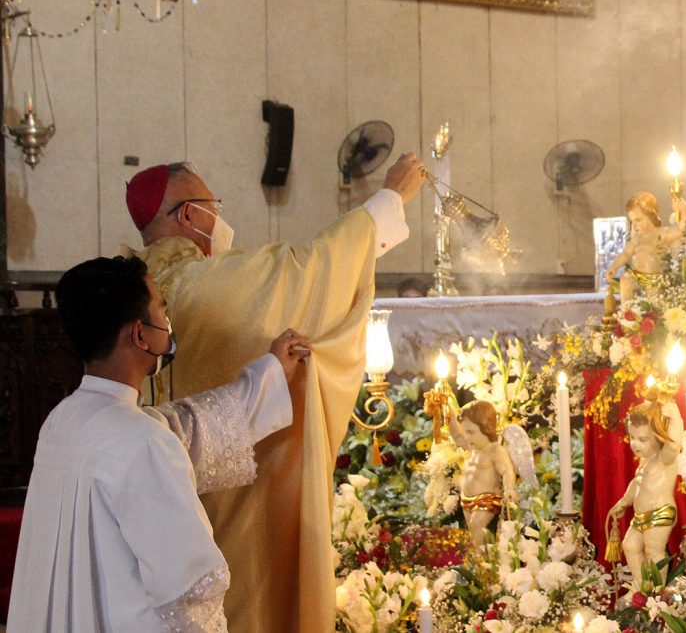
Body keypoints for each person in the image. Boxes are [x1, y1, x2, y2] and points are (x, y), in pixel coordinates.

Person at [122, 154, 425, 631]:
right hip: (230, 501)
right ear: (187, 215)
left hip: (159, 499)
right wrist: (390, 198)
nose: (219, 218)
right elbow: (311, 270)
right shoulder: (205, 285)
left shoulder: (135, 288)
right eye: (211, 205)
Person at [7, 256, 310, 632]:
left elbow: (186, 425)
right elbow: (189, 592)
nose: (168, 324)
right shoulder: (143, 441)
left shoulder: (63, 420)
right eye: (162, 311)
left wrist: (269, 372)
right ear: (140, 334)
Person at [607, 396, 682, 587]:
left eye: (643, 439)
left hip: (660, 511)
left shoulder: (665, 458)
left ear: (658, 436)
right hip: (641, 515)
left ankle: (657, 593)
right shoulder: (644, 460)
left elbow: (674, 445)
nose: (635, 444)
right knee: (629, 546)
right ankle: (642, 589)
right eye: (632, 437)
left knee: (653, 552)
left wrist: (674, 418)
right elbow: (637, 482)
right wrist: (624, 501)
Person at [446, 399, 518, 547]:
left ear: (486, 428)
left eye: (471, 432)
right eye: (466, 432)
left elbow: (507, 471)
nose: (466, 437)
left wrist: (510, 488)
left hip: (487, 499)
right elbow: (457, 436)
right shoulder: (471, 445)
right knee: (474, 533)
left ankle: (479, 564)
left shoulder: (495, 450)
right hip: (467, 500)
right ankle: (481, 560)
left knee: (476, 527)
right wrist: (449, 412)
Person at [605, 191, 686, 302]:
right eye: (632, 221)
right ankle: (626, 313)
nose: (634, 226)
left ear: (651, 215)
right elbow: (626, 254)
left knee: (654, 301)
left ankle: (653, 315)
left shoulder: (661, 234)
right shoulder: (636, 239)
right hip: (636, 276)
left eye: (638, 220)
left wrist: (684, 210)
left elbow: (681, 230)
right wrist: (614, 267)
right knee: (625, 280)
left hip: (655, 278)